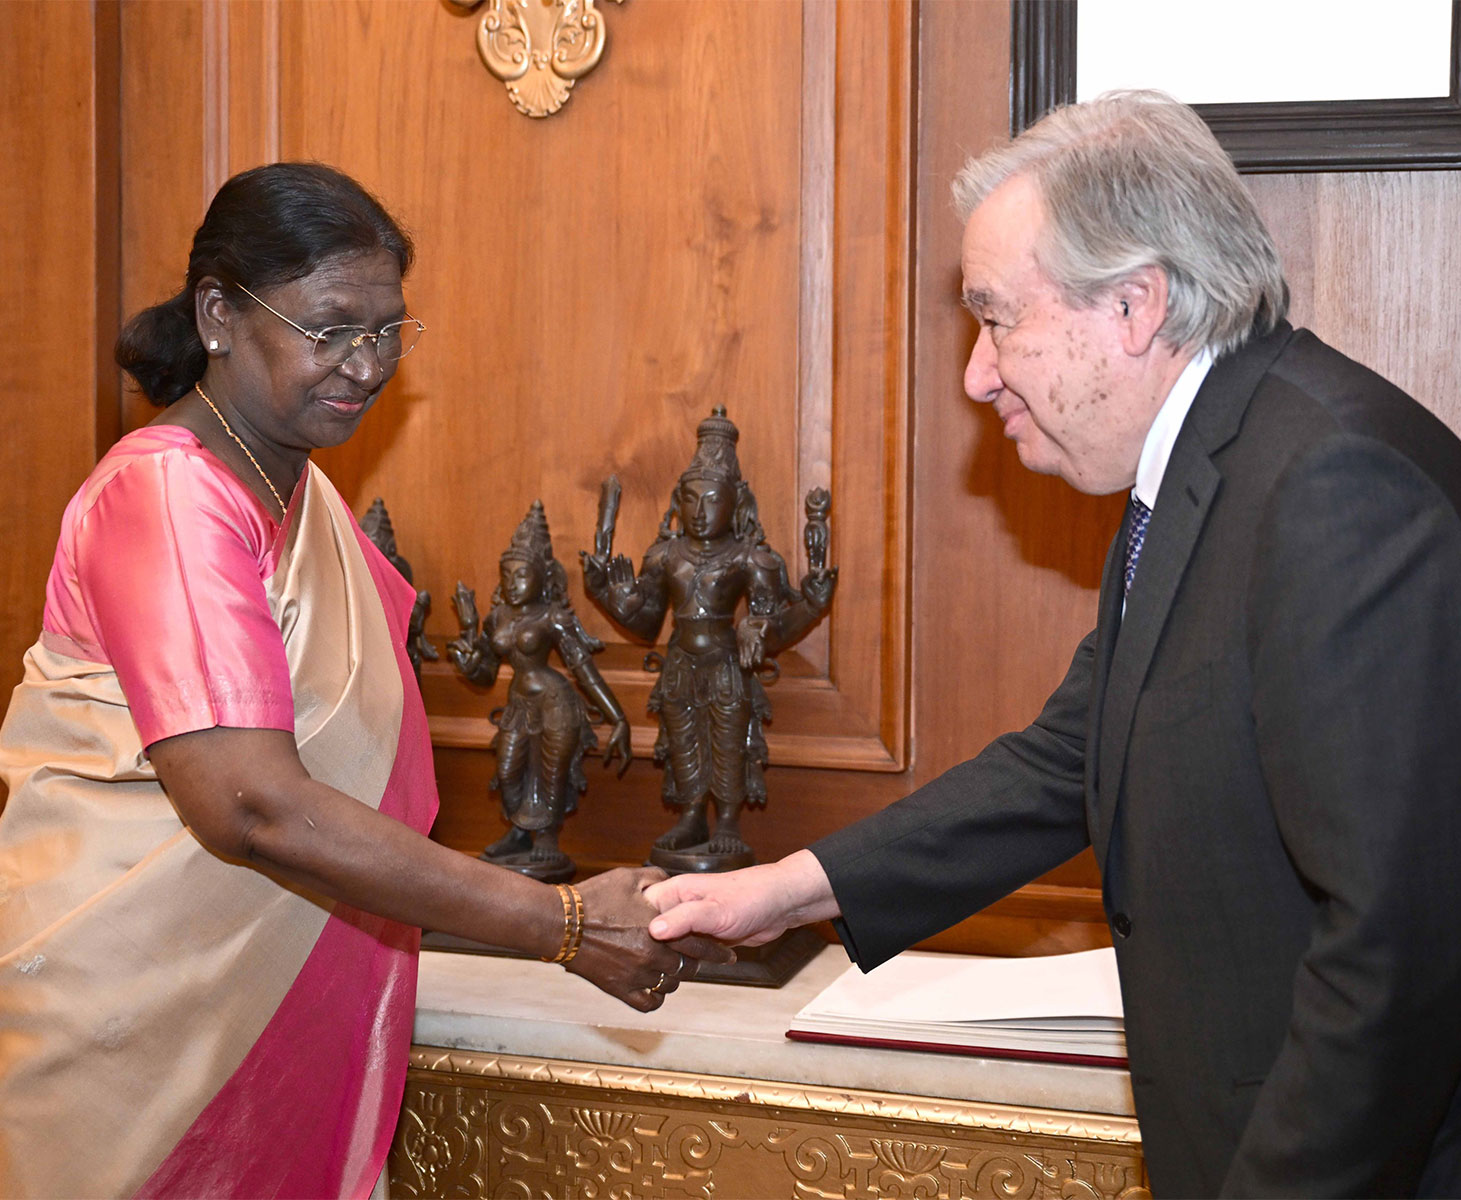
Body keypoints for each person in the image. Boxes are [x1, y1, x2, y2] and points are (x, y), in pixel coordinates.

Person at [646, 92, 1461, 1197]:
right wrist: (793, 888)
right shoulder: (1207, 469)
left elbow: (1401, 948)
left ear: (1135, 305)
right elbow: (1072, 757)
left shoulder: (1334, 490)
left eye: (996, 318)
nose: (977, 373)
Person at [0, 162, 729, 1199]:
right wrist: (561, 925)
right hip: (148, 1037)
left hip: (293, 994)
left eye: (388, 329)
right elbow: (250, 805)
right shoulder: (167, 496)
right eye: (330, 326)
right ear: (218, 312)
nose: (366, 362)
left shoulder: (299, 491)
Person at [580, 407, 835, 868]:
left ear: (736, 503)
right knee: (683, 741)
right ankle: (692, 814)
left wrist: (810, 605)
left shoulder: (751, 557)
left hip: (725, 664)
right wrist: (607, 593)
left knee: (728, 740)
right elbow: (645, 623)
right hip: (680, 662)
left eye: (713, 499)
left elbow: (771, 626)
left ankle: (729, 821)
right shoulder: (664, 555)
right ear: (679, 501)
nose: (700, 511)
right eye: (692, 499)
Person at [448, 500, 631, 878]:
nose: (512, 583)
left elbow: (584, 671)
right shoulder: (497, 616)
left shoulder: (553, 617)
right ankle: (519, 832)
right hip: (519, 704)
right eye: (506, 574)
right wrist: (468, 638)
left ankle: (545, 839)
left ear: (543, 577)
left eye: (521, 575)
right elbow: (484, 675)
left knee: (551, 774)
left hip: (555, 704)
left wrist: (618, 717)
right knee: (509, 770)